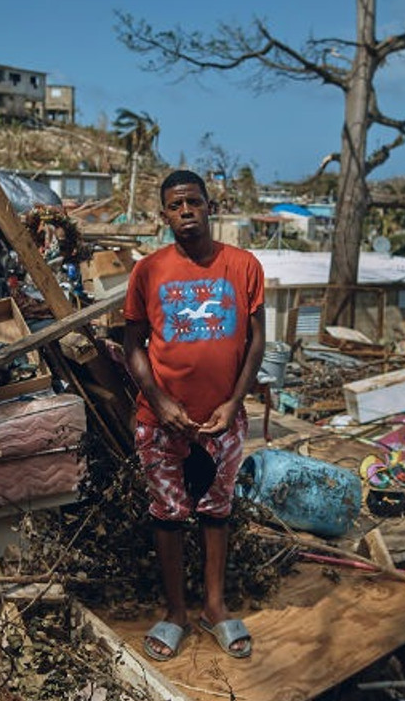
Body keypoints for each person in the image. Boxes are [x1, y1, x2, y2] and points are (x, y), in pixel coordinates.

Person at [123, 169, 266, 662]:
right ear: (163, 214)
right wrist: (160, 401)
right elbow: (132, 347)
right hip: (161, 421)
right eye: (175, 205)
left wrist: (234, 402)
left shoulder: (244, 266)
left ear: (209, 207)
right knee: (168, 514)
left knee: (216, 511)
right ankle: (175, 611)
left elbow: (257, 340)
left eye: (193, 203)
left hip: (222, 420)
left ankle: (214, 606)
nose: (185, 211)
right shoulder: (148, 271)